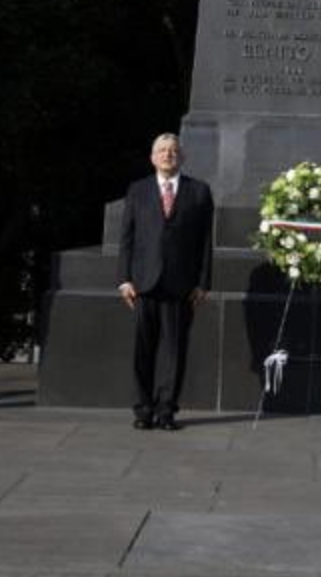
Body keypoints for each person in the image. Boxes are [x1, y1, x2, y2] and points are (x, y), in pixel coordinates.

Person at [117, 133, 215, 430]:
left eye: (173, 150)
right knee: (143, 350)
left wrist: (203, 283)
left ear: (181, 156)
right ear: (152, 157)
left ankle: (166, 411)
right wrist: (124, 279)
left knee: (174, 351)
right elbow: (127, 238)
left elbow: (206, 243)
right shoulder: (138, 190)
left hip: (180, 285)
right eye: (162, 150)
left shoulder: (199, 191)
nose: (167, 155)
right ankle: (143, 410)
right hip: (143, 283)